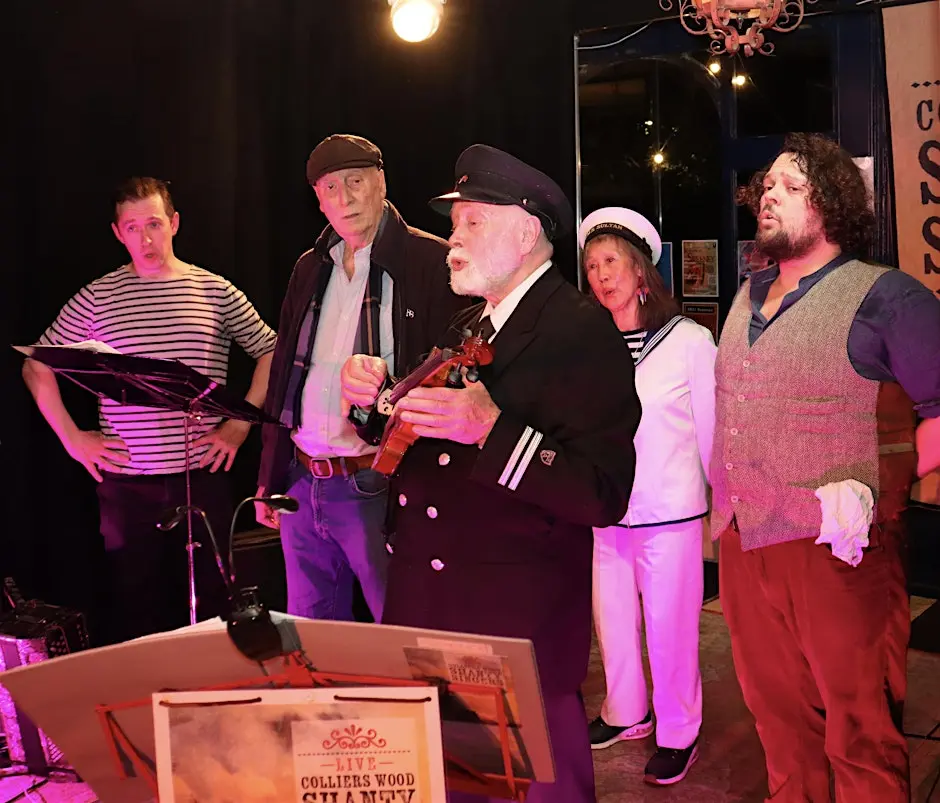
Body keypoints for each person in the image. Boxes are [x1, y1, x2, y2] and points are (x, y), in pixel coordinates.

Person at [340, 144, 642, 803]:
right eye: (455, 225)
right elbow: (414, 438)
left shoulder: (580, 330)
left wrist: (493, 429)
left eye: (472, 222)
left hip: (513, 629)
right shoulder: (470, 325)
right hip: (436, 610)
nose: (453, 241)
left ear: (527, 232)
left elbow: (603, 493)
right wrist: (371, 401)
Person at [714, 132, 940, 802]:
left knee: (860, 728)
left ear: (833, 203)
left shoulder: (888, 297)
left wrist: (883, 494)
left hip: (840, 554)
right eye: (767, 186)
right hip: (746, 545)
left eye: (792, 186)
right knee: (777, 718)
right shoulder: (746, 295)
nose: (769, 196)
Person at [22, 176, 277, 644]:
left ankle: (216, 684)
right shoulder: (97, 297)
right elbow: (37, 364)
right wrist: (73, 439)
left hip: (201, 475)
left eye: (154, 224)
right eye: (133, 227)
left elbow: (271, 350)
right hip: (126, 485)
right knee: (136, 606)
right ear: (118, 233)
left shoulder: (214, 290)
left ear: (174, 223)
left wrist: (240, 425)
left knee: (214, 604)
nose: (145, 239)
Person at [256, 134, 467, 623]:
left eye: (355, 181)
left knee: (400, 629)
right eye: (331, 188)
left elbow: (453, 374)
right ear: (318, 200)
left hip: (378, 481)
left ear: (381, 183)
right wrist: (270, 475)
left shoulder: (429, 262)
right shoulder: (310, 267)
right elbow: (284, 372)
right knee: (312, 635)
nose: (345, 198)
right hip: (302, 481)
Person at [579, 208, 715, 785]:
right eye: (591, 266)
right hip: (607, 510)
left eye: (611, 261)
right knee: (612, 623)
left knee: (670, 628)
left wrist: (721, 505)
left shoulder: (689, 341)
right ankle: (625, 711)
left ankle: (679, 730)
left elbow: (711, 429)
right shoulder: (589, 344)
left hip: (670, 513)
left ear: (640, 270)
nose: (601, 275)